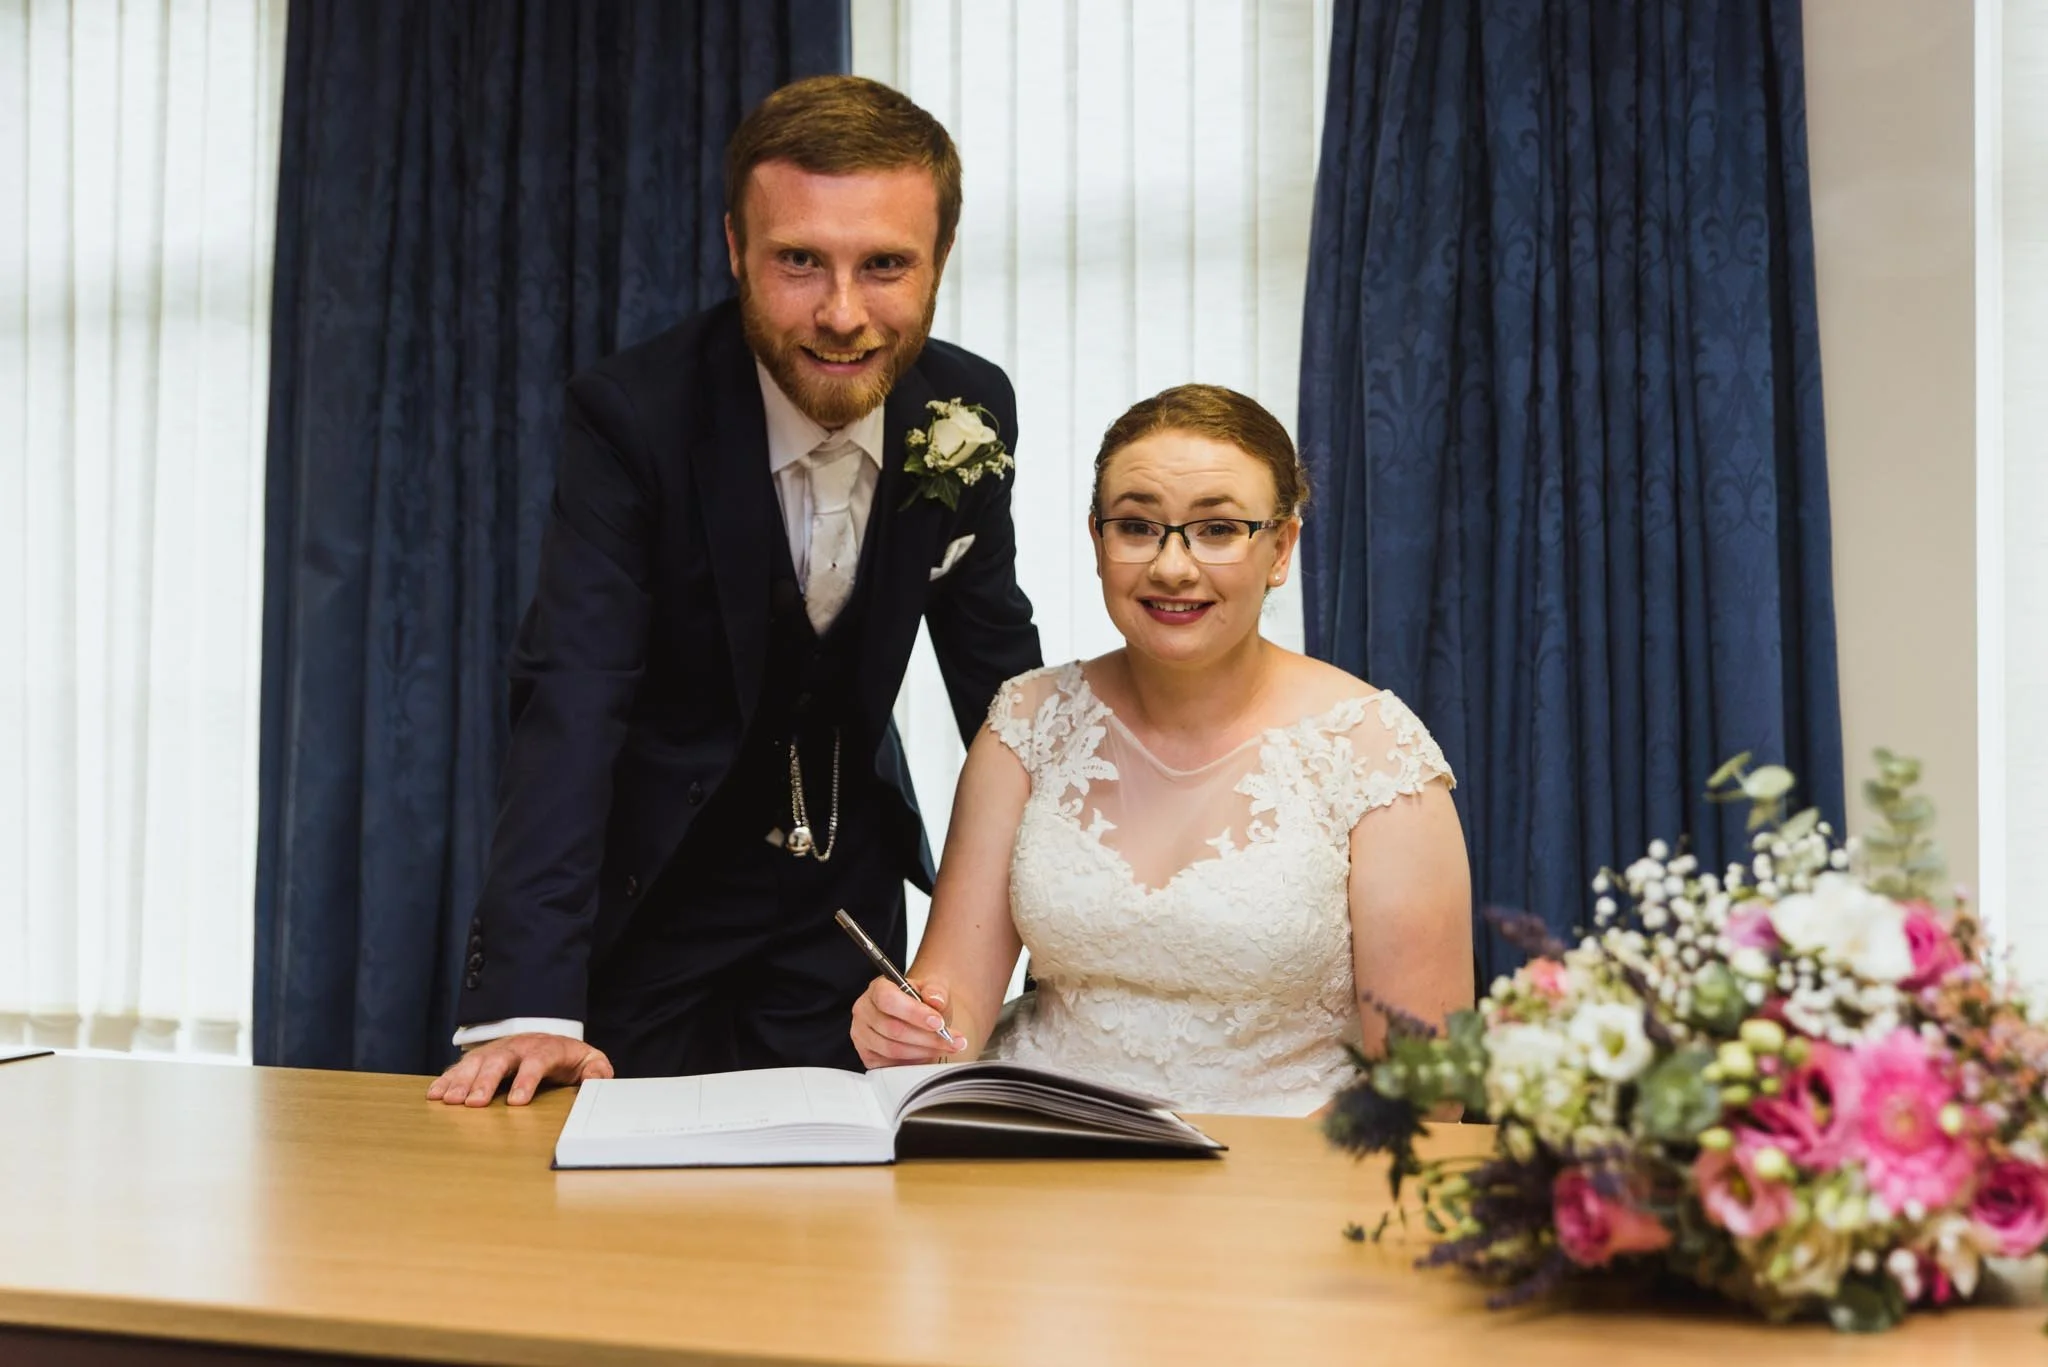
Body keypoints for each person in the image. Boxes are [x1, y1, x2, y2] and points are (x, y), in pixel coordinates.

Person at [429, 76, 1041, 1108]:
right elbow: (574, 694)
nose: (842, 315)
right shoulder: (633, 416)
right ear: (732, 248)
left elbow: (1000, 679)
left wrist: (1072, 915)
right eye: (799, 260)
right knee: (627, 1231)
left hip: (841, 909)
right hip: (653, 898)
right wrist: (528, 998)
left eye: (884, 265)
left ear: (937, 262)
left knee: (836, 1229)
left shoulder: (966, 406)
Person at [850, 385, 1472, 1116]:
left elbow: (1427, 1096)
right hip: (1038, 1155)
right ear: (1097, 541)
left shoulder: (1377, 755)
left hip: (1283, 1191)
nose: (1172, 567)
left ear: (1281, 549)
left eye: (1216, 529)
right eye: (1139, 526)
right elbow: (951, 1006)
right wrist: (907, 1027)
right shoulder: (1027, 723)